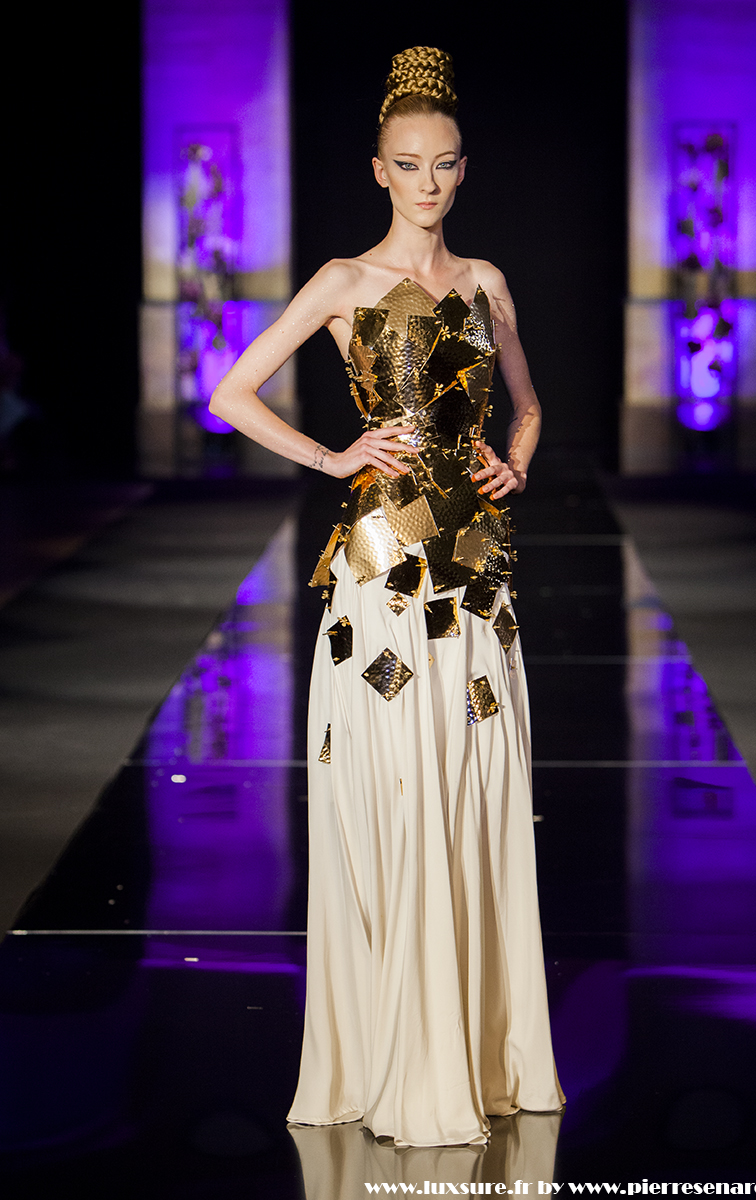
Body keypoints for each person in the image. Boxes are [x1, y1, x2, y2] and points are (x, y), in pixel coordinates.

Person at [210, 45, 564, 1148]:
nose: (427, 182)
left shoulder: (486, 281)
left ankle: (473, 1050)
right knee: (400, 790)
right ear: (377, 169)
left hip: (477, 570)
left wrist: (514, 462)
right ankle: (399, 1054)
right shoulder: (342, 282)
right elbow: (231, 392)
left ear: (463, 168)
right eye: (407, 164)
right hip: (378, 573)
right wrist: (332, 457)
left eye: (444, 164)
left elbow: (528, 406)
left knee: (470, 789)